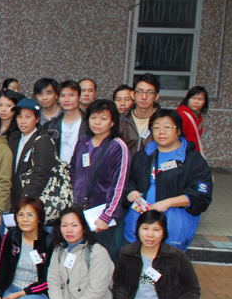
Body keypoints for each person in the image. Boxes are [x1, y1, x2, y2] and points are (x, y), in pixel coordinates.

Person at [123, 108, 213, 250]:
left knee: (168, 263)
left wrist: (168, 203)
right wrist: (131, 192)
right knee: (134, 261)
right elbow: (128, 181)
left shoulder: (192, 160)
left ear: (178, 130)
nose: (161, 132)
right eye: (157, 127)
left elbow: (201, 195)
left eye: (167, 127)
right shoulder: (143, 156)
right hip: (140, 224)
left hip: (173, 229)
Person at [47, 207, 114, 299]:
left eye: (74, 225)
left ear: (83, 227)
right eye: (64, 225)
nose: (69, 230)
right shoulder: (59, 250)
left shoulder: (97, 252)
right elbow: (53, 281)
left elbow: (96, 291)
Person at [70, 99, 129, 253]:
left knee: (101, 258)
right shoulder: (83, 142)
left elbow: (119, 185)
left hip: (101, 216)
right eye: (93, 117)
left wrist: (106, 216)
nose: (97, 122)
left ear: (112, 122)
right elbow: (73, 173)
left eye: (103, 118)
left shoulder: (117, 146)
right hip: (80, 212)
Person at [0, 196, 51, 299]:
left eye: (30, 215)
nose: (24, 219)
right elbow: (2, 270)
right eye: (21, 215)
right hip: (12, 288)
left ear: (39, 218)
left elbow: (49, 280)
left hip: (37, 292)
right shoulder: (12, 237)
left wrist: (20, 294)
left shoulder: (48, 242)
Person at [8, 97, 58, 207]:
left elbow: (40, 176)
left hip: (31, 202)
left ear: (37, 119)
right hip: (14, 199)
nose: (23, 121)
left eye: (28, 116)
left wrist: (26, 201)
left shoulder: (42, 141)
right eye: (19, 116)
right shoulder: (14, 139)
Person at [44, 80, 89, 165]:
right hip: (58, 171)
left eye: (71, 95)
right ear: (58, 98)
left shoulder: (89, 125)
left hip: (82, 170)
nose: (67, 100)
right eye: (63, 96)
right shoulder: (50, 126)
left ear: (79, 97)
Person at [122, 73, 162, 156]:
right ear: (133, 95)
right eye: (140, 91)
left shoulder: (163, 120)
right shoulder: (121, 119)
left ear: (157, 96)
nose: (144, 97)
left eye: (150, 92)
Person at [177, 86, 208, 155]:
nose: (196, 102)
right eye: (193, 98)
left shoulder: (198, 117)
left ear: (205, 102)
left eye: (200, 99)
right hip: (183, 154)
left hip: (192, 153)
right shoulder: (181, 115)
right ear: (187, 99)